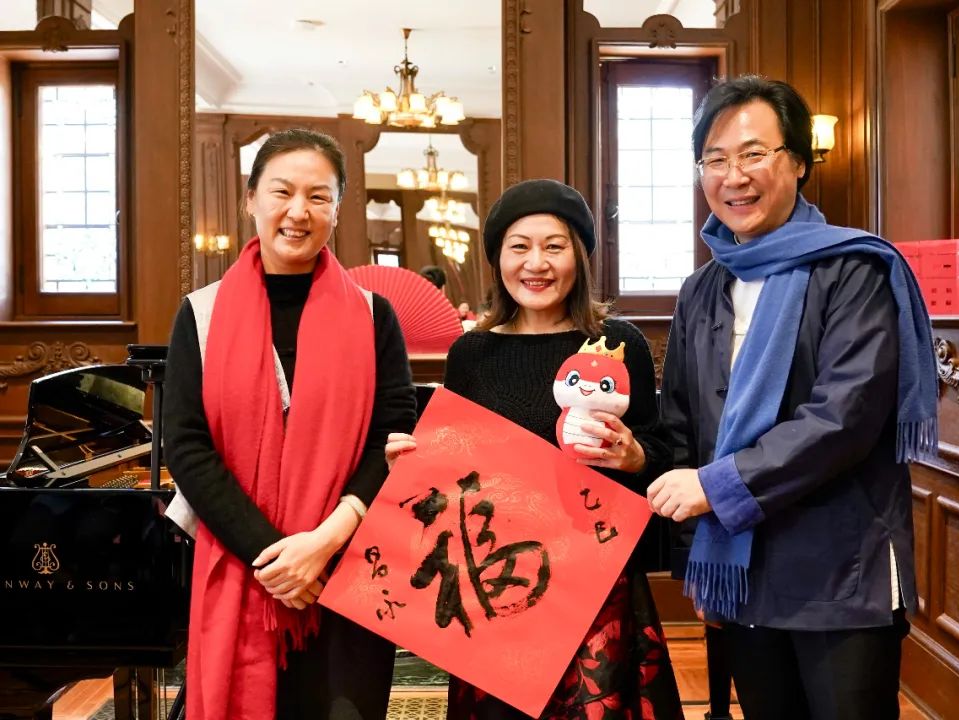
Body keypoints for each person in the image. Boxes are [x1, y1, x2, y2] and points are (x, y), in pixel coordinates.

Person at [649, 76, 939, 720]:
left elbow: (843, 418)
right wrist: (697, 561)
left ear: (800, 161)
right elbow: (684, 428)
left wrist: (715, 487)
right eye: (715, 159)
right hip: (740, 569)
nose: (734, 176)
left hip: (841, 570)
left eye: (754, 154)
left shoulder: (855, 269)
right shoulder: (702, 289)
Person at [385, 179, 684, 720]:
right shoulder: (472, 352)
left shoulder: (619, 345)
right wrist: (409, 467)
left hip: (595, 581)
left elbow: (661, 456)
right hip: (499, 582)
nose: (536, 263)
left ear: (580, 256)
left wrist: (635, 456)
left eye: (554, 246)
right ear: (498, 258)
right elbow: (455, 474)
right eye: (519, 246)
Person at [163, 128, 416, 720]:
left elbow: (393, 435)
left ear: (337, 210)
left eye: (318, 196)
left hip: (349, 568)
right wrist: (276, 559)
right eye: (282, 192)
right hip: (243, 564)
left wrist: (322, 544)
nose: (299, 211)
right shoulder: (200, 314)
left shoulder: (374, 316)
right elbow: (188, 447)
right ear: (250, 199)